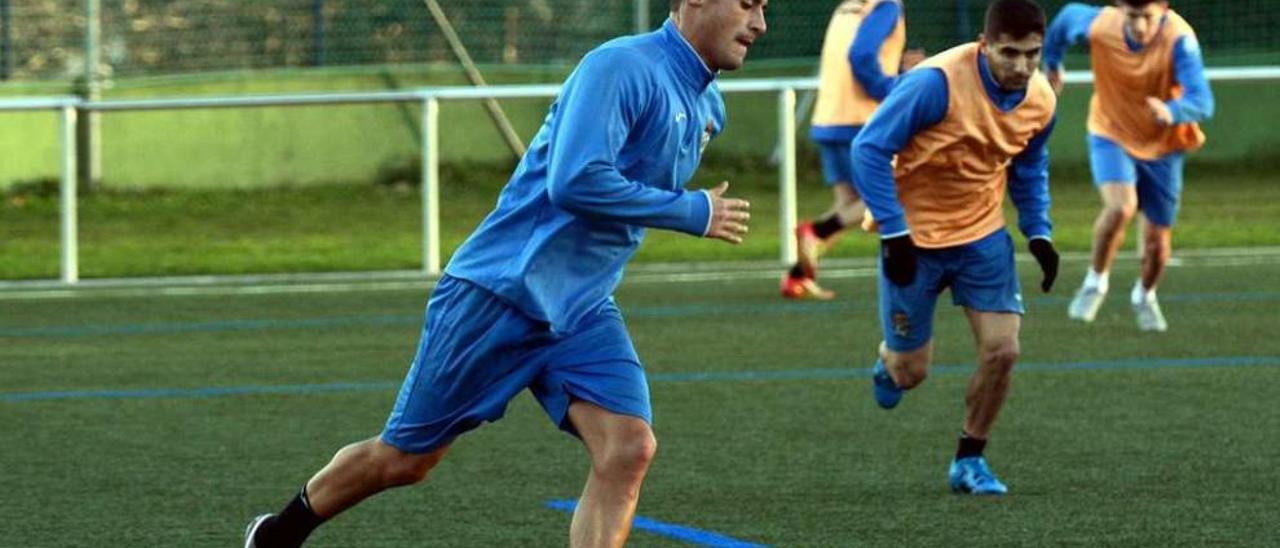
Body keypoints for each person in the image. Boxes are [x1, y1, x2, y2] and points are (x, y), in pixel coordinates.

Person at [243, 1, 765, 546]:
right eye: (747, 3)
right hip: (499, 292)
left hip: (582, 308)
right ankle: (279, 534)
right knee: (404, 460)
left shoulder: (710, 104)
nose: (759, 24)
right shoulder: (620, 67)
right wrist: (690, 210)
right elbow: (575, 180)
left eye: (766, 8)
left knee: (629, 447)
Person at [851, 0, 1060, 495]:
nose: (1022, 67)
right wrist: (894, 232)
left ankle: (970, 458)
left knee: (1003, 350)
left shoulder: (1042, 99)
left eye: (1032, 55)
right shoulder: (934, 82)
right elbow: (869, 150)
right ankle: (890, 362)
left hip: (983, 237)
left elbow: (1029, 165)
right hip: (914, 241)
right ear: (985, 45)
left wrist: (1039, 232)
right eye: (1009, 53)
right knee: (911, 373)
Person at [1044, 1, 1214, 332]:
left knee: (1156, 242)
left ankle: (1144, 295)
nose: (1138, 25)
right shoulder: (1100, 24)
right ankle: (1096, 281)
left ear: (1163, 11)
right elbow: (1064, 21)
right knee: (1121, 207)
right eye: (1132, 16)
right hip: (1111, 132)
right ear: (1120, 9)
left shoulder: (1179, 38)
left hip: (1164, 143)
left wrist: (1172, 111)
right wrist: (1053, 62)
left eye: (1147, 17)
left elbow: (1202, 100)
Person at [781, 0, 925, 300]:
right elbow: (860, 57)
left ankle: (796, 276)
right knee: (892, 192)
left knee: (847, 204)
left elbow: (856, 55)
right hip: (863, 121)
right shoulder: (886, 6)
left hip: (830, 116)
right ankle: (816, 232)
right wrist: (897, 87)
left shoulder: (848, 7)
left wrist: (898, 68)